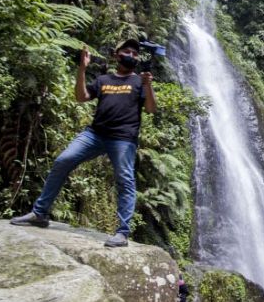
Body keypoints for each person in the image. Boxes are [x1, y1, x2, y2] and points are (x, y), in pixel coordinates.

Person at [10, 40, 157, 247]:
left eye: (135, 53)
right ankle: (40, 213)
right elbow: (81, 97)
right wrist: (82, 69)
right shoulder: (103, 79)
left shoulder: (140, 82)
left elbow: (151, 109)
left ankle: (122, 233)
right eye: (127, 51)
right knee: (63, 161)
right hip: (94, 135)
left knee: (125, 180)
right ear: (116, 55)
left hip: (123, 138)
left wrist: (148, 85)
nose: (131, 55)